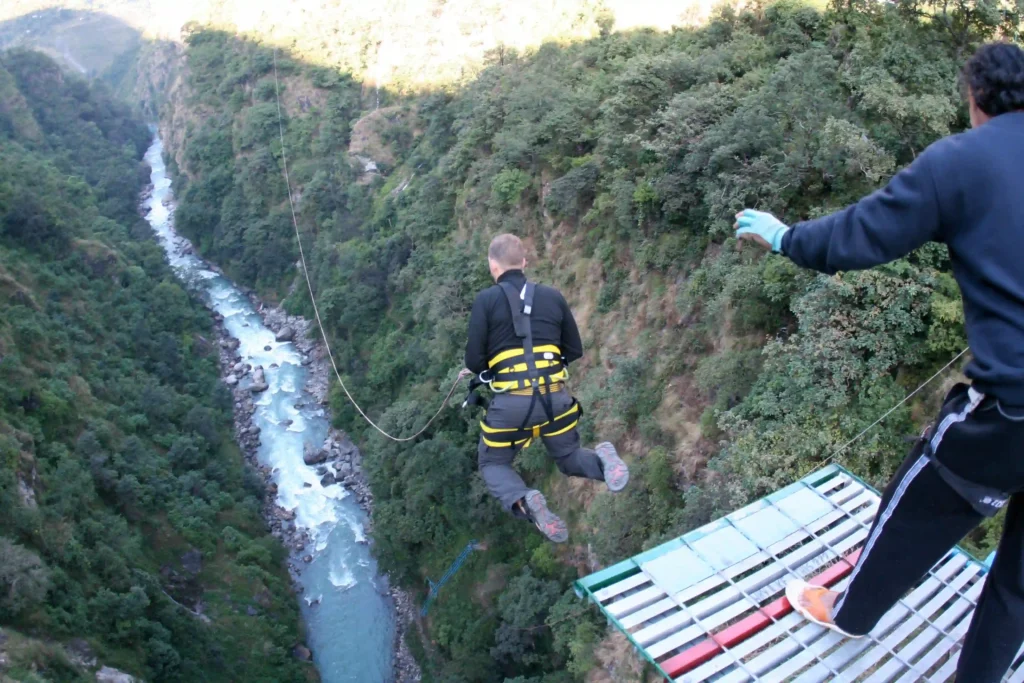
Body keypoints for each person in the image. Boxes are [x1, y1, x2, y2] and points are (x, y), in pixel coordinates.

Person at [735, 41, 1024, 681]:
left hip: (1012, 412)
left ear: (977, 100)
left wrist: (786, 238)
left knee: (922, 488)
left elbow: (863, 232)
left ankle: (850, 611)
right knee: (1020, 585)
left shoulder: (963, 159)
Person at [465, 234, 629, 542]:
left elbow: (475, 361)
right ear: (524, 263)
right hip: (555, 399)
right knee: (567, 456)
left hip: (510, 407)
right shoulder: (553, 296)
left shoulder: (486, 301)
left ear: (493, 266)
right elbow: (574, 349)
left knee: (493, 463)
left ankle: (525, 500)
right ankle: (603, 460)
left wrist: (492, 367)